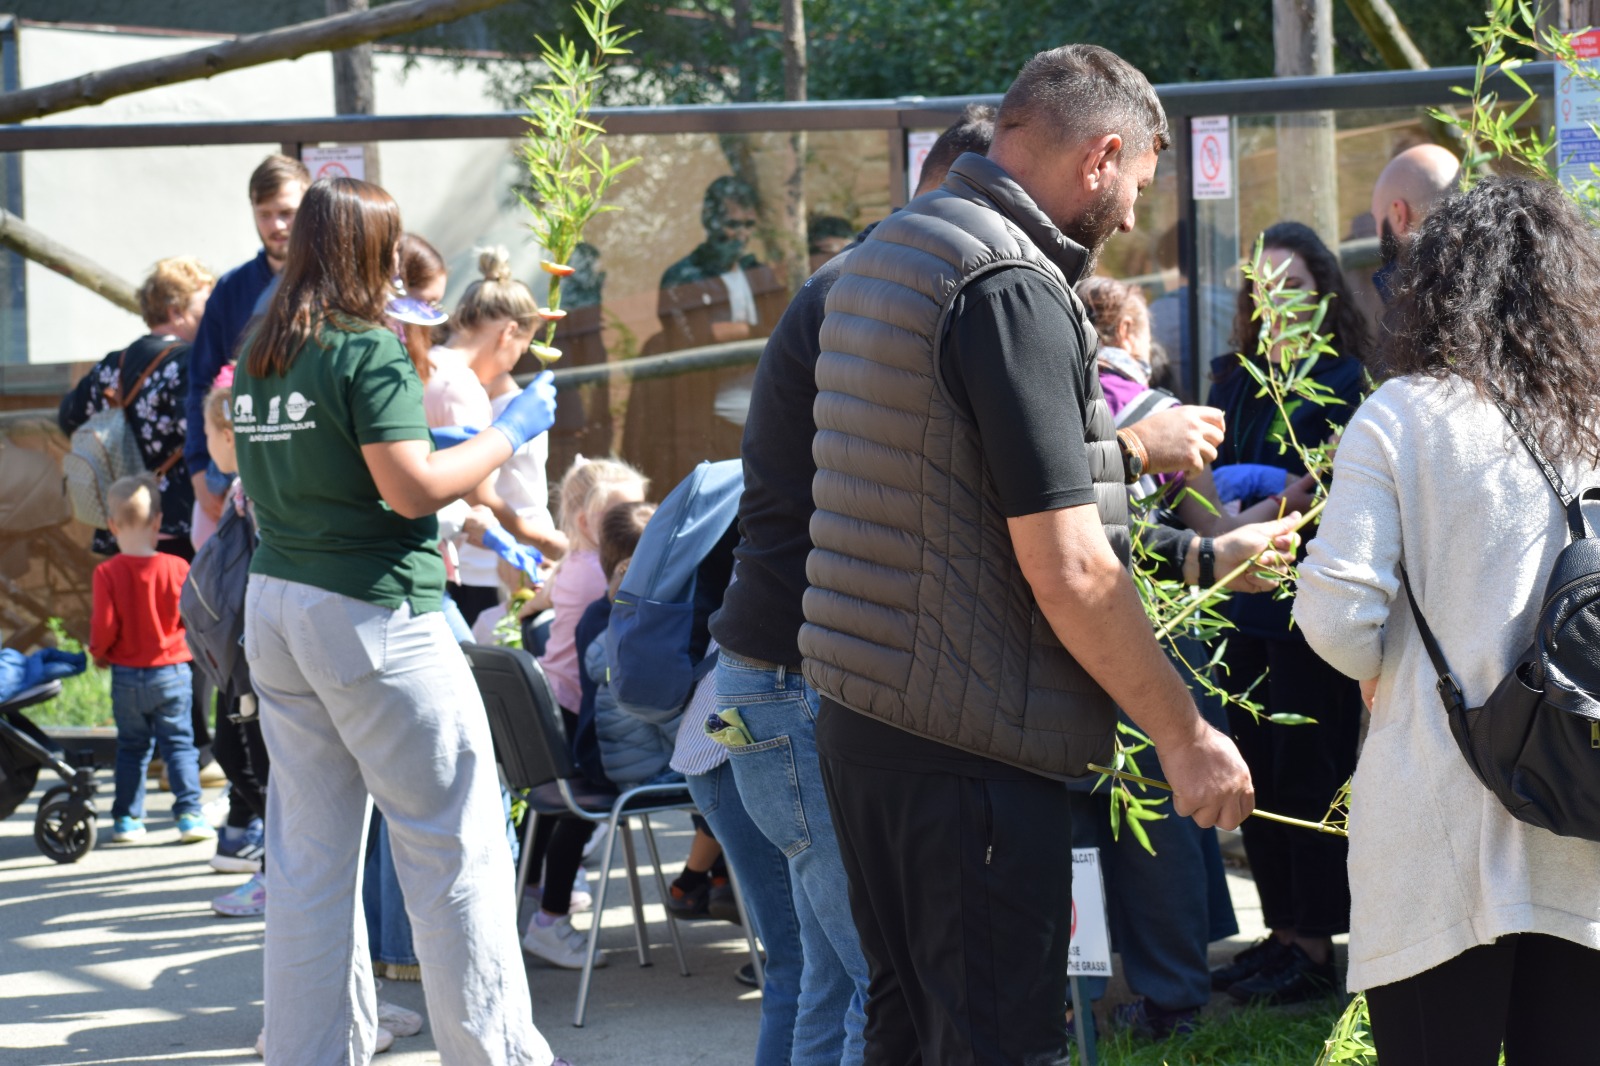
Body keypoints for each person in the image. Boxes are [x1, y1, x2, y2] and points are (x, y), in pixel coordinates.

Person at [800, 45, 1284, 1062]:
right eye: (1136, 187)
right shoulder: (1008, 282)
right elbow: (1069, 565)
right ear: (1101, 156)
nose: (1129, 216)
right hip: (967, 747)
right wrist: (1183, 733)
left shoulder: (892, 249)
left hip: (866, 722)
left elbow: (957, 484)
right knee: (991, 1039)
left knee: (907, 1024)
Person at [232, 176, 567, 1066]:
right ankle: (497, 1054)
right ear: (370, 252)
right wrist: (509, 428)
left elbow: (353, 461)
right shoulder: (365, 350)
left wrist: (440, 448)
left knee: (308, 863)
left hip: (279, 611)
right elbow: (409, 489)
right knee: (456, 851)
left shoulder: (267, 349)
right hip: (375, 615)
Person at [707, 105, 995, 1066]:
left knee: (826, 979)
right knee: (881, 981)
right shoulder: (876, 294)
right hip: (793, 684)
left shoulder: (854, 284)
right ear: (956, 189)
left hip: (766, 680)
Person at [1295, 176, 1600, 1066]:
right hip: (1583, 815)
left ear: (1436, 286)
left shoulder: (1401, 417)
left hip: (1435, 830)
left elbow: (1337, 615)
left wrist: (1378, 667)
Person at [1205, 221, 1368, 1006]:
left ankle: (1314, 946)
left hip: (1312, 613)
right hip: (1239, 608)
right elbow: (1195, 487)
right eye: (1264, 290)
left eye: (1294, 288)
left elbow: (1343, 495)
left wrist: (1278, 499)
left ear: (1323, 294)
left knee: (1310, 774)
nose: (1279, 304)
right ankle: (1276, 934)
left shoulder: (1348, 381)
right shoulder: (1231, 379)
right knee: (1255, 777)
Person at [520, 456, 647, 969]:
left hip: (553, 703)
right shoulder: (602, 580)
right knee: (577, 812)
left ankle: (532, 895)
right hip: (577, 712)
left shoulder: (572, 566)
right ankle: (549, 921)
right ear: (586, 523)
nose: (634, 523)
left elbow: (544, 596)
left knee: (554, 812)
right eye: (624, 514)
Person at [425, 247, 566, 626]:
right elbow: (478, 493)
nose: (512, 364)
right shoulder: (461, 384)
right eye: (520, 350)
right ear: (507, 333)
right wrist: (539, 540)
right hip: (456, 563)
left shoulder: (426, 361)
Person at [185, 154, 310, 550]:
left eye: (288, 212)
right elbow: (199, 381)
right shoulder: (231, 289)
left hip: (307, 466)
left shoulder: (329, 286)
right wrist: (198, 468)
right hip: (236, 467)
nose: (277, 225)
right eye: (265, 213)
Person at [59, 256, 214, 558]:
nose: (214, 313)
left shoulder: (112, 365)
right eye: (206, 304)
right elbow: (202, 434)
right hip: (177, 526)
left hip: (121, 523)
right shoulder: (189, 364)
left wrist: (117, 452)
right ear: (176, 311)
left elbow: (68, 417)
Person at [91, 474, 213, 846]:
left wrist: (100, 653)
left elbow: (105, 625)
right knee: (179, 744)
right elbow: (190, 618)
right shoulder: (177, 567)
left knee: (131, 747)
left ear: (111, 526)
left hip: (127, 675)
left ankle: (127, 818)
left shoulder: (107, 572)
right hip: (172, 672)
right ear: (158, 521)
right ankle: (190, 814)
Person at [1369, 143, 1460, 301]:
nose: (1377, 232)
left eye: (1376, 219)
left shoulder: (1411, 309)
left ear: (1398, 215)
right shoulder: (1506, 274)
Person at [660, 176, 762, 290]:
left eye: (749, 225)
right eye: (733, 225)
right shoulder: (683, 278)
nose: (743, 236)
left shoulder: (760, 275)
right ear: (709, 222)